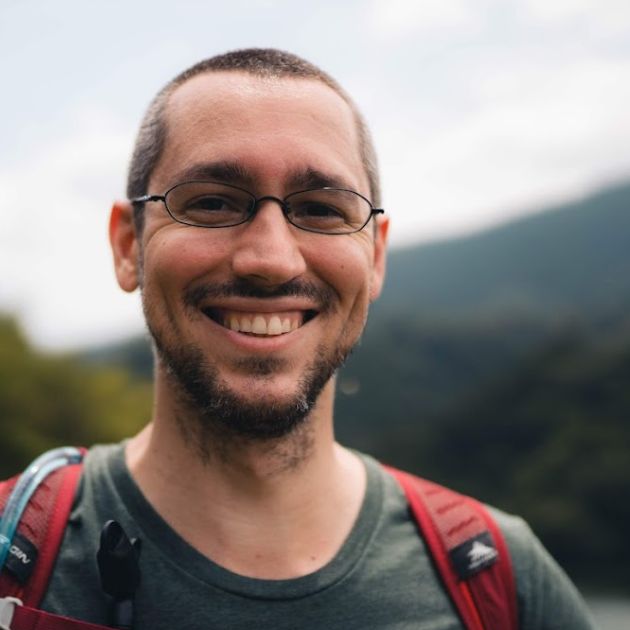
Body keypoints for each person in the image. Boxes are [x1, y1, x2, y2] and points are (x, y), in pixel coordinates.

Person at [25, 49, 594, 628]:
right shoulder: (15, 556)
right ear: (129, 246)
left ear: (374, 256)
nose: (270, 259)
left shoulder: (498, 578)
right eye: (212, 202)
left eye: (322, 209)